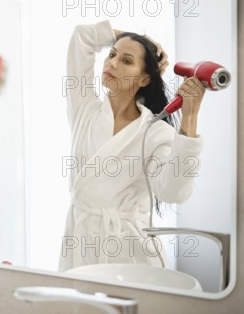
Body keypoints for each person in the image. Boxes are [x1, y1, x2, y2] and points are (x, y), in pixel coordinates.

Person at [59, 20, 205, 271]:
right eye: (112, 54)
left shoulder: (155, 131)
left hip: (131, 252)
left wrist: (190, 117)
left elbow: (173, 192)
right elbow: (82, 37)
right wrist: (137, 39)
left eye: (126, 61)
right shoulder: (84, 108)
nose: (112, 63)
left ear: (145, 78)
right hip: (81, 242)